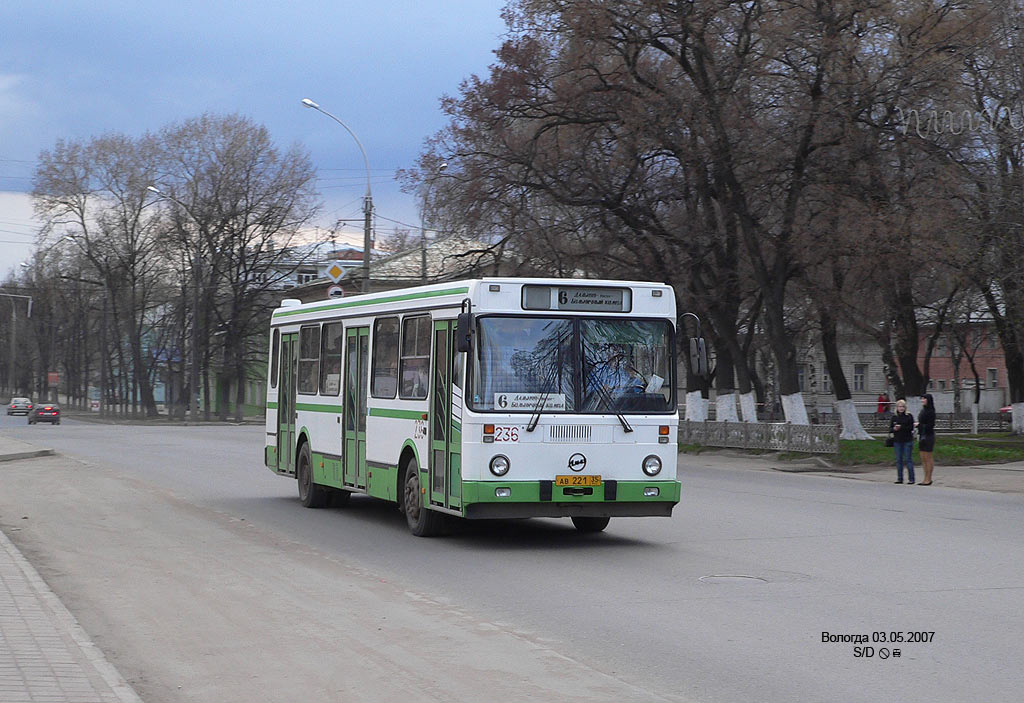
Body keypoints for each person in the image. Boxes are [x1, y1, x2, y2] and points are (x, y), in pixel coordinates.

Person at [889, 398, 916, 484]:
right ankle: (900, 478)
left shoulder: (909, 416)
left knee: (908, 459)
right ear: (896, 407)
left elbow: (911, 427)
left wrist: (901, 427)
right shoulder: (894, 417)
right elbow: (890, 429)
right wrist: (894, 428)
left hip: (907, 440)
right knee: (899, 460)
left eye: (903, 407)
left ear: (905, 408)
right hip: (897, 441)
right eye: (899, 407)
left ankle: (911, 479)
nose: (901, 408)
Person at [916, 393, 936, 485]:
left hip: (928, 436)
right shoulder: (923, 410)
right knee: (923, 458)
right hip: (922, 435)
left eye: (924, 399)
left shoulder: (931, 411)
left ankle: (929, 478)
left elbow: (930, 425)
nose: (922, 400)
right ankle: (925, 478)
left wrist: (919, 425)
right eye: (922, 399)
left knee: (928, 457)